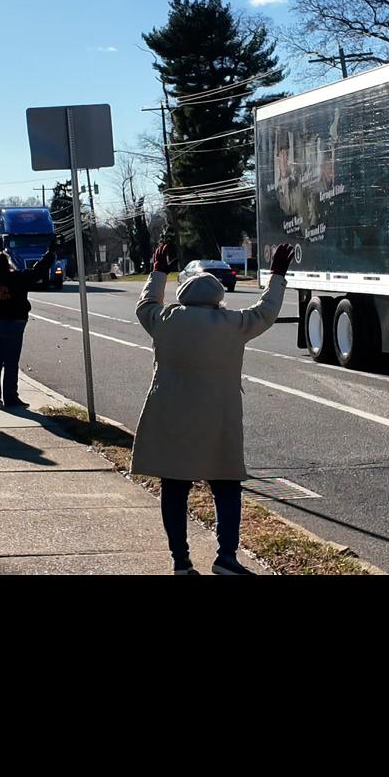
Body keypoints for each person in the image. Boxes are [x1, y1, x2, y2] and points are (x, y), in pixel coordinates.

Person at [131, 241, 296, 575]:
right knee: (226, 484)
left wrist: (158, 271)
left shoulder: (164, 320)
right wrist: (277, 275)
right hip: (219, 418)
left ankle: (181, 560)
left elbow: (144, 303)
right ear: (218, 297)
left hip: (171, 414)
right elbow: (266, 311)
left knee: (175, 488)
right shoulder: (232, 324)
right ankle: (226, 558)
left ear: (185, 295)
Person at [0, 248, 54, 407]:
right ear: (7, 263)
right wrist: (49, 256)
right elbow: (38, 271)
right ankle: (11, 397)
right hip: (14, 323)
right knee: (11, 362)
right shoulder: (17, 278)